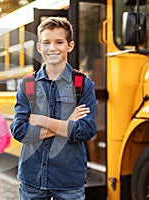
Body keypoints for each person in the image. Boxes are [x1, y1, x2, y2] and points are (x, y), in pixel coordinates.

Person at [11, 17, 97, 200]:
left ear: (70, 45)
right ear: (39, 47)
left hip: (68, 181)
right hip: (32, 178)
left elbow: (85, 131)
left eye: (59, 42)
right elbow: (19, 131)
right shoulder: (28, 84)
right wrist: (66, 125)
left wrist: (41, 120)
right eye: (46, 42)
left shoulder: (82, 84)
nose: (52, 48)